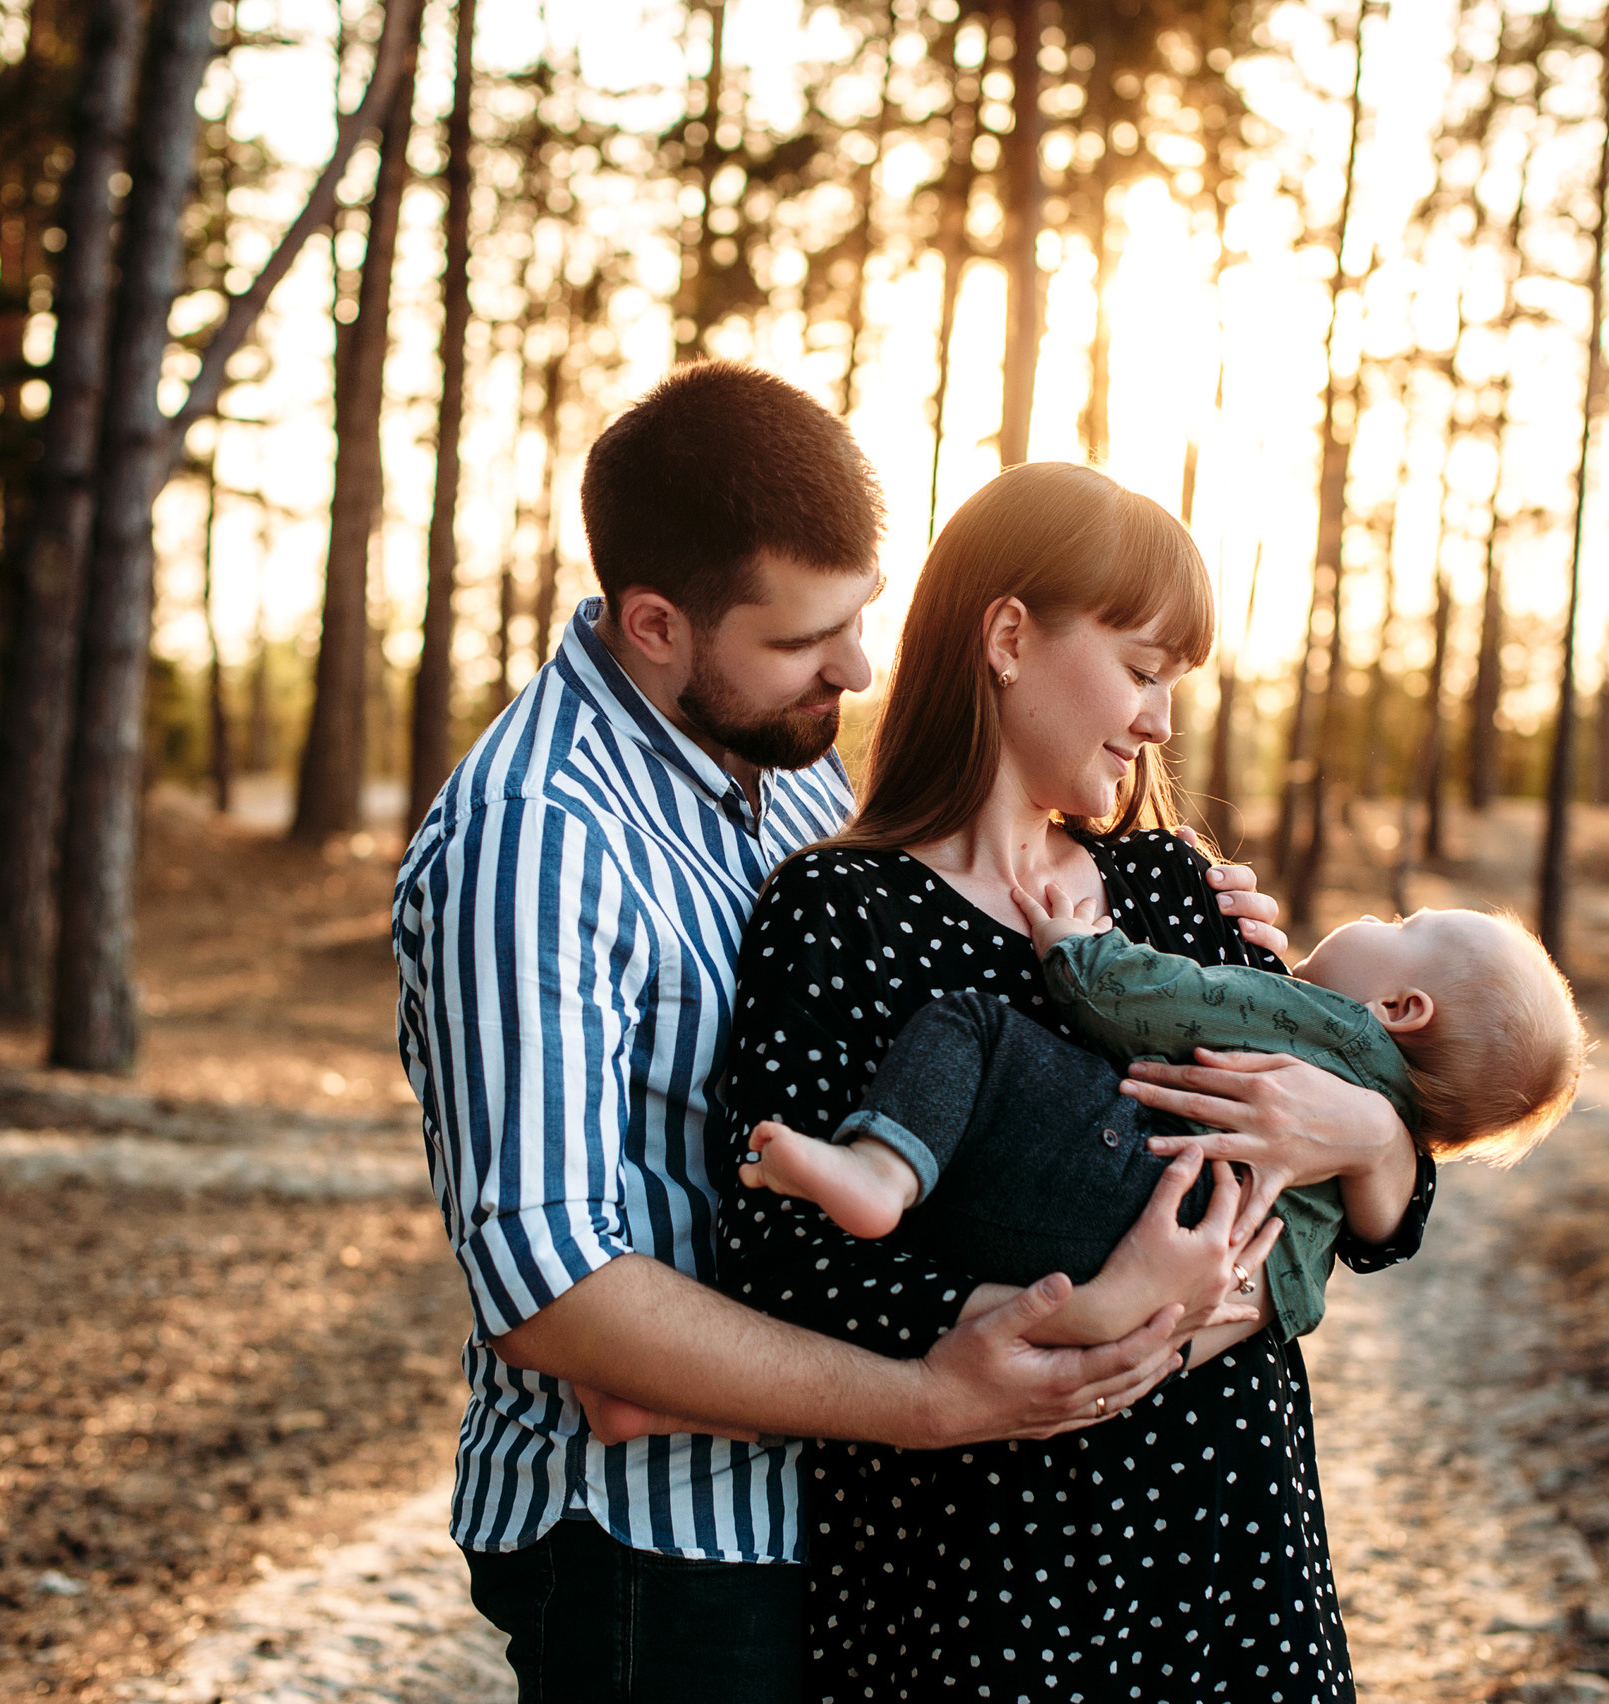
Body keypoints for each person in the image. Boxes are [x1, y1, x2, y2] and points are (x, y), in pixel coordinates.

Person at [390, 366, 1291, 1703]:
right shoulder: (535, 845)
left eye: (860, 617)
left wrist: (1216, 985)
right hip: (659, 1545)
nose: (858, 668)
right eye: (807, 638)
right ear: (653, 625)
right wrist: (942, 1396)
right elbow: (552, 1296)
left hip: (840, 1515)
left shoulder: (793, 765)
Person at [710, 460, 1431, 1702]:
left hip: (1230, 1556)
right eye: (1143, 670)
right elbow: (780, 1262)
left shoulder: (1167, 887)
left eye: (1173, 686)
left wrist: (1368, 1134)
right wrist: (1093, 1308)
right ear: (1006, 636)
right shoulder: (838, 914)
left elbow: (1360, 1221)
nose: (1159, 722)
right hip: (985, 1576)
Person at [730, 894, 1585, 1346]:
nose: (1373, 915)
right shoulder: (1366, 1128)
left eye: (1402, 925)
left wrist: (1075, 949)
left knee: (975, 1026)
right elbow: (1295, 1293)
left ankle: (883, 1169)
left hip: (1112, 1174)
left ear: (1399, 1009)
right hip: (1170, 1272)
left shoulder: (1319, 1024)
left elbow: (1165, 1004)